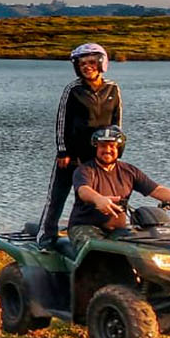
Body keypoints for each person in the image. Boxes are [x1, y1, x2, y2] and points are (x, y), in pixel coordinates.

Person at [36, 42, 122, 243]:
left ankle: (96, 234)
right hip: (72, 155)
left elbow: (117, 123)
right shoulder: (72, 90)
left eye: (91, 62)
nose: (87, 67)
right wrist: (62, 151)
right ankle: (45, 237)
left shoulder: (113, 88)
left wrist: (116, 151)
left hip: (98, 155)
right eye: (82, 64)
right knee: (57, 196)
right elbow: (61, 121)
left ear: (101, 63)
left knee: (94, 196)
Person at [67, 126, 170, 247]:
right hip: (85, 226)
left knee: (144, 249)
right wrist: (98, 199)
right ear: (96, 148)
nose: (107, 150)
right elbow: (83, 190)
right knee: (98, 249)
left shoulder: (129, 171)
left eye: (112, 146)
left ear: (119, 149)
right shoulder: (85, 170)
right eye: (103, 146)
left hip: (118, 230)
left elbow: (157, 190)